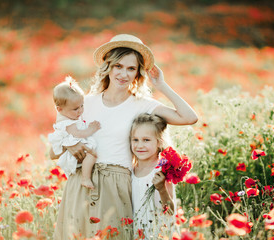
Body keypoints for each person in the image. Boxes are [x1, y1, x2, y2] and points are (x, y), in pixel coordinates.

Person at [50, 34, 198, 239]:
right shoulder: (86, 103)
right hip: (81, 183)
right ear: (108, 67)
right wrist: (68, 147)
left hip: (116, 185)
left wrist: (161, 85)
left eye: (131, 68)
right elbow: (53, 150)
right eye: (118, 66)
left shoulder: (142, 104)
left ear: (138, 73)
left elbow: (189, 117)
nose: (123, 74)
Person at [48, 76, 100, 189]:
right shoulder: (67, 122)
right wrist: (91, 129)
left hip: (74, 149)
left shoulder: (69, 115)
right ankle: (85, 178)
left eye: (82, 106)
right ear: (59, 109)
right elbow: (78, 134)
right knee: (92, 155)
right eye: (76, 109)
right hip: (73, 151)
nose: (81, 111)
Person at [130, 113, 176, 239]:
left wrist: (161, 188)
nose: (139, 145)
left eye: (146, 140)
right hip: (135, 233)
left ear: (159, 142)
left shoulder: (162, 171)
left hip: (157, 233)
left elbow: (170, 210)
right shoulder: (131, 170)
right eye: (135, 139)